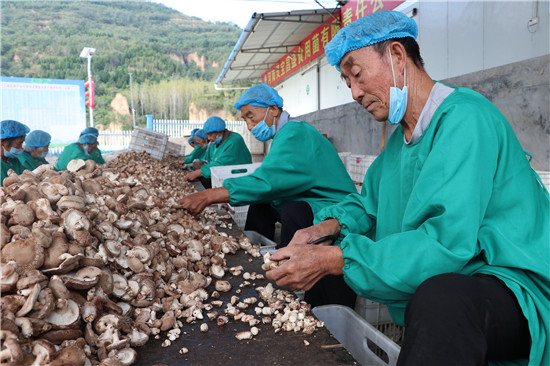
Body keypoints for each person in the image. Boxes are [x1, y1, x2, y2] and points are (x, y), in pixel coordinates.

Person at [265, 10, 549, 366]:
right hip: (463, 277)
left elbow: (445, 243)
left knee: (442, 301)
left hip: (512, 283)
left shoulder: (465, 120)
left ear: (397, 56)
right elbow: (369, 205)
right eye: (346, 82)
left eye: (357, 74)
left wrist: (337, 260)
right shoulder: (400, 144)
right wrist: (323, 229)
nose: (354, 92)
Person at [178, 84, 358, 308]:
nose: (250, 125)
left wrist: (209, 196)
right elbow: (274, 180)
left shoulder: (295, 133)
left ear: (273, 109)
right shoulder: (285, 133)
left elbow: (268, 180)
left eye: (251, 116)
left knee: (291, 209)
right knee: (263, 203)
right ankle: (258, 259)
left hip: (335, 212)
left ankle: (290, 274)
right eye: (245, 119)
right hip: (314, 201)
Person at [184, 116, 251, 189]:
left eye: (210, 135)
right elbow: (212, 160)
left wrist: (198, 172)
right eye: (207, 135)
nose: (209, 138)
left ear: (220, 132)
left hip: (239, 180)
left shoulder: (234, 141)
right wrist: (203, 163)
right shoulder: (216, 143)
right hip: (227, 177)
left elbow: (221, 165)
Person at [1, 120, 30, 185]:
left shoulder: (13, 160)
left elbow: (26, 178)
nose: (21, 148)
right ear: (2, 142)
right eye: (19, 143)